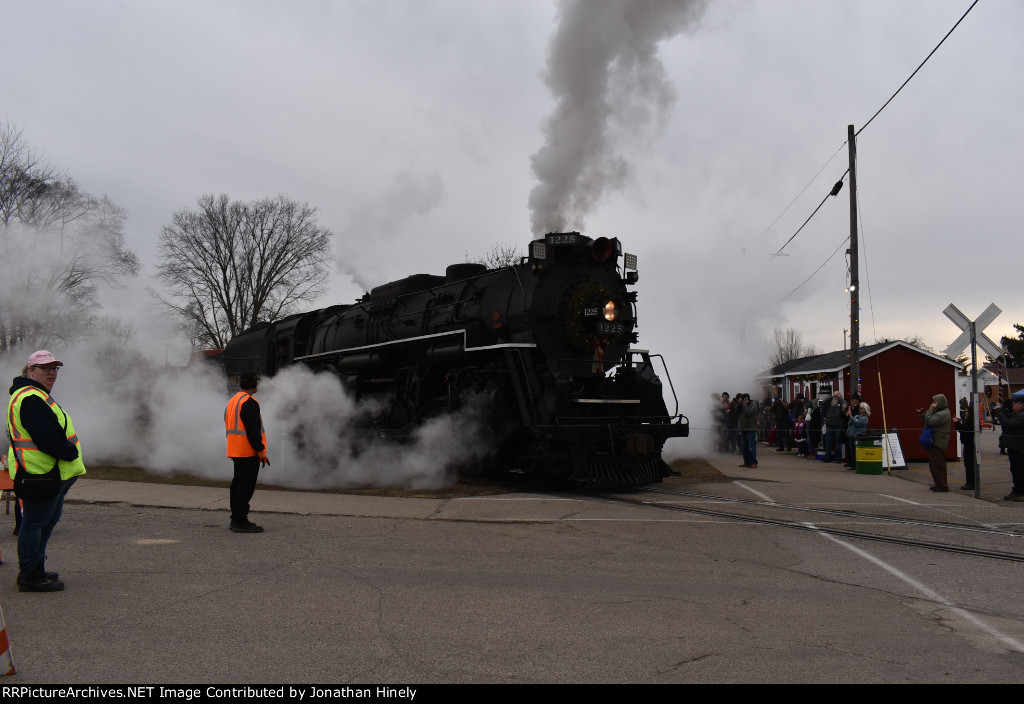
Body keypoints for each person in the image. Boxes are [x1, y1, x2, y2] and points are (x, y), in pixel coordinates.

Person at [7, 350, 86, 592]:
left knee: (46, 521)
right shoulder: (30, 397)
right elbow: (47, 436)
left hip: (52, 473)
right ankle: (30, 575)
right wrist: (69, 452)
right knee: (34, 523)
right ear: (31, 371)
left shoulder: (36, 395)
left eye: (55, 368)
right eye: (45, 368)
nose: (52, 372)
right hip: (42, 473)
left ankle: (36, 569)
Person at [225, 371, 270, 533]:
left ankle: (236, 518)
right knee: (245, 487)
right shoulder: (249, 402)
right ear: (254, 384)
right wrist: (260, 451)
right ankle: (240, 521)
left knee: (237, 484)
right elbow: (253, 430)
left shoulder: (233, 401)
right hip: (248, 451)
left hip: (236, 450)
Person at [991, 396, 1024, 501]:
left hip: (1019, 448)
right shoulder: (1017, 415)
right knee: (1015, 470)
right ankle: (1017, 491)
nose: (1013, 406)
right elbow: (1009, 416)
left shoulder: (1021, 416)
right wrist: (1001, 409)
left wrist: (1000, 412)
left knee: (1019, 471)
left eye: (1015, 404)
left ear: (1021, 405)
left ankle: (1021, 493)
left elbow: (1008, 423)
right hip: (1015, 447)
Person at [918, 394, 952, 492]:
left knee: (938, 464)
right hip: (934, 441)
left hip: (939, 442)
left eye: (935, 402)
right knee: (933, 464)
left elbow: (930, 422)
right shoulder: (939, 412)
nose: (933, 404)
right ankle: (938, 483)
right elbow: (927, 421)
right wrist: (922, 415)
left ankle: (942, 485)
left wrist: (929, 410)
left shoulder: (944, 413)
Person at [954, 399, 977, 491]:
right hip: (968, 444)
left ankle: (971, 483)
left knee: (969, 465)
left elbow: (963, 429)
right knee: (968, 464)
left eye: (967, 411)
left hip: (969, 445)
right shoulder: (970, 421)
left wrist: (956, 422)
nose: (966, 413)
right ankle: (970, 482)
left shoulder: (970, 422)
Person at [821, 392, 846, 463]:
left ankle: (839, 458)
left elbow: (845, 403)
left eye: (837, 396)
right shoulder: (829, 402)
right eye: (834, 396)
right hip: (829, 425)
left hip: (838, 426)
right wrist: (831, 397)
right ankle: (827, 457)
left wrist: (839, 398)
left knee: (838, 443)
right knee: (828, 442)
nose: (835, 398)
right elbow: (823, 403)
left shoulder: (841, 403)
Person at [737, 393, 759, 469]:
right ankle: (746, 462)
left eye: (743, 400)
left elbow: (748, 412)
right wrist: (739, 404)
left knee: (751, 447)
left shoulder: (754, 405)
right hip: (743, 429)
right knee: (744, 447)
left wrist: (745, 405)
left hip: (751, 429)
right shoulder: (742, 405)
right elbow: (736, 412)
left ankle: (753, 462)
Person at [846, 402, 870, 470]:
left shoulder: (865, 418)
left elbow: (857, 423)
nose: (859, 409)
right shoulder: (856, 416)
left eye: (861, 408)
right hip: (851, 436)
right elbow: (850, 423)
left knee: (857, 452)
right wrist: (851, 419)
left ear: (865, 409)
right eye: (859, 407)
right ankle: (853, 465)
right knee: (852, 451)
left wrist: (851, 417)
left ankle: (858, 465)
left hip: (858, 436)